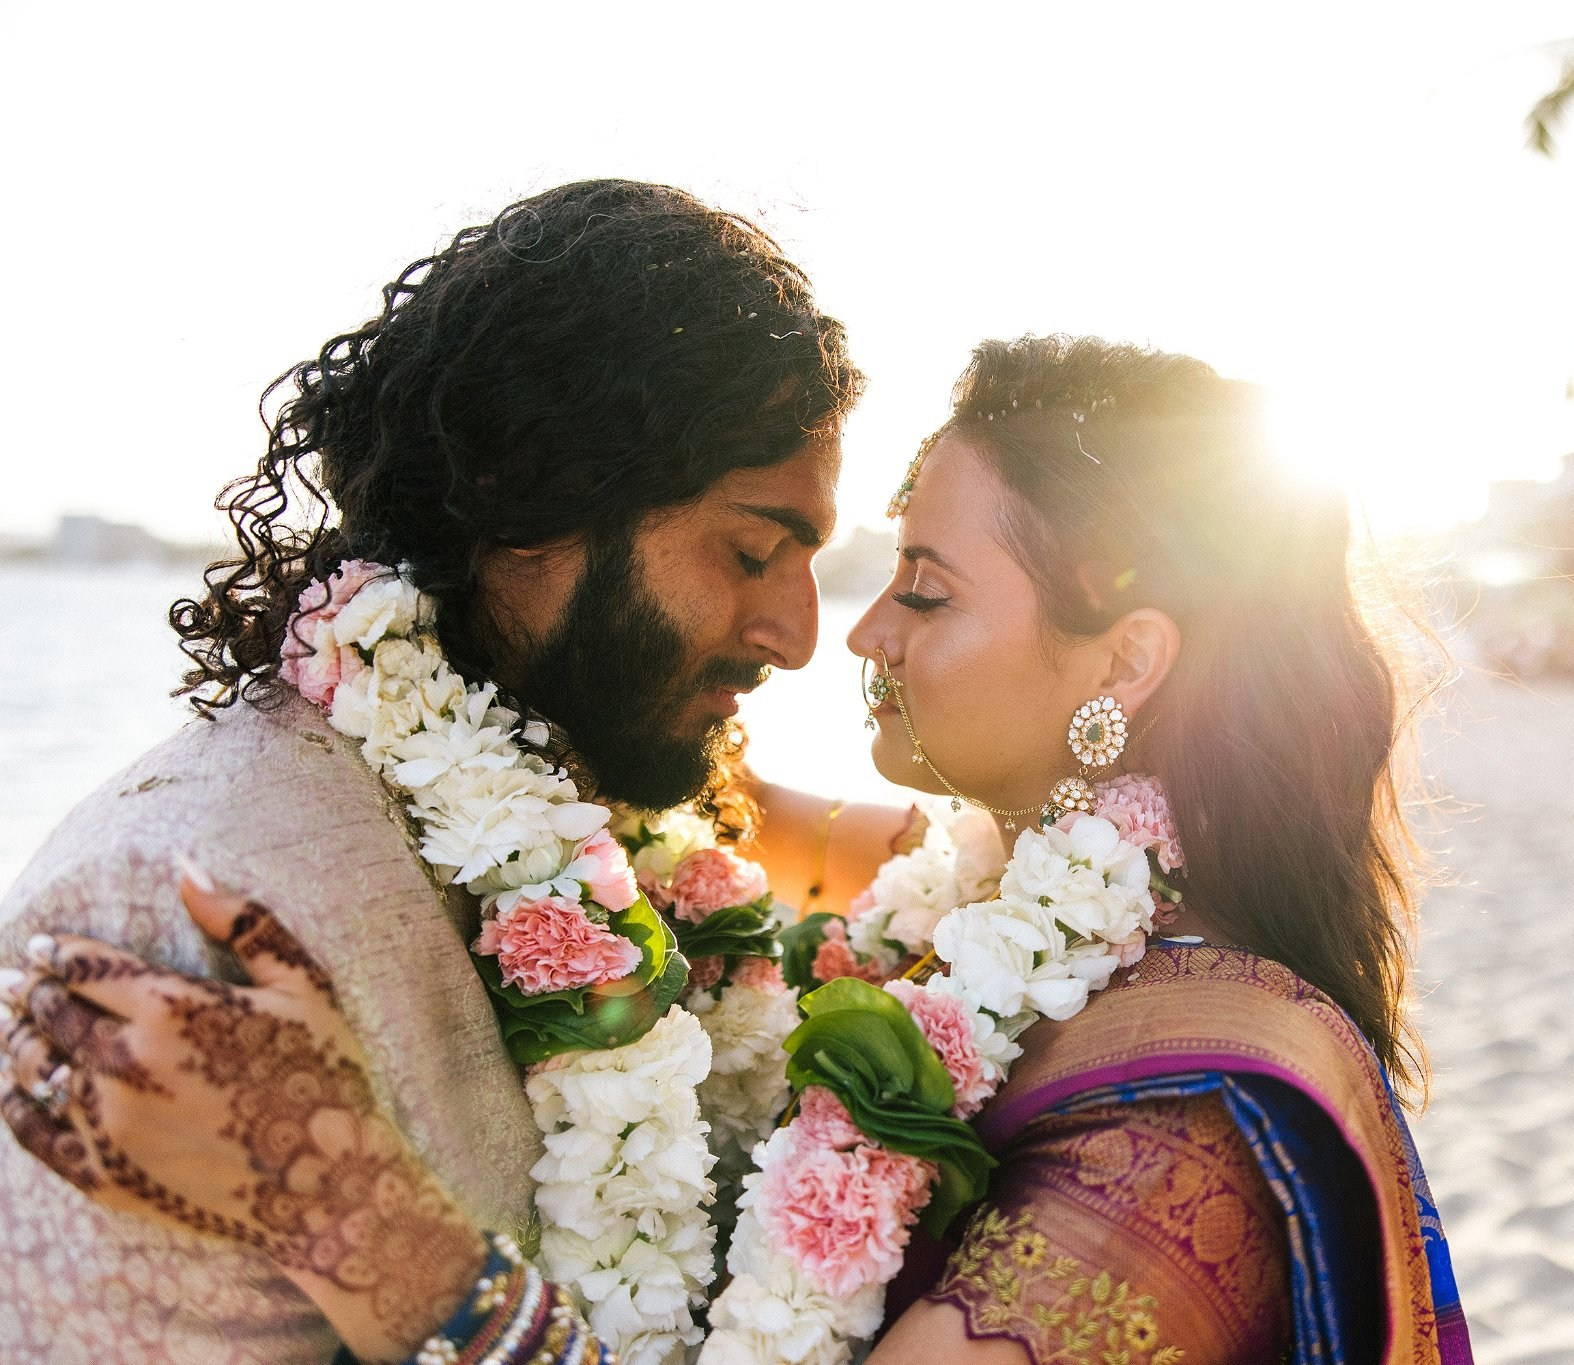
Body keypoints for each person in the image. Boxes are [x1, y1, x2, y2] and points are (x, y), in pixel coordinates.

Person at [4, 337, 1471, 1363]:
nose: (857, 637)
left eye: (925, 590)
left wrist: (348, 1212)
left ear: (1124, 661)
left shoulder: (1173, 1143)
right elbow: (710, 801)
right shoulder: (976, 884)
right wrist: (438, 644)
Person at [0, 178, 925, 1363]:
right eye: (749, 551)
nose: (796, 635)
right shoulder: (184, 912)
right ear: (519, 491)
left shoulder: (601, 815)